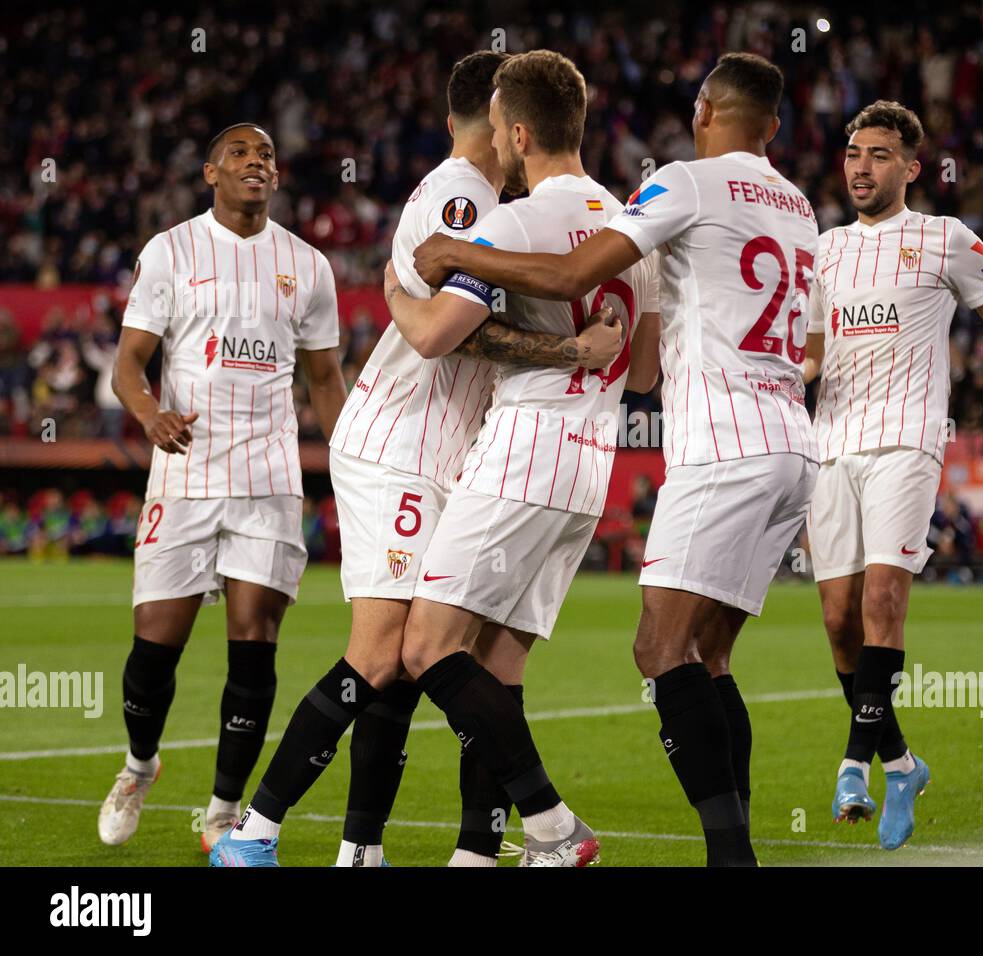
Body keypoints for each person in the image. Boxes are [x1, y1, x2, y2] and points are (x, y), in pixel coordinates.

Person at [209, 52, 623, 868]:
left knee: (422, 659)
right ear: (501, 122)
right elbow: (446, 329)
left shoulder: (501, 200)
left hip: (451, 448)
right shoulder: (465, 197)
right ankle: (254, 831)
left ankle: (370, 846)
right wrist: (570, 347)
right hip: (403, 443)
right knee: (384, 650)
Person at [411, 52, 819, 867]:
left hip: (714, 446)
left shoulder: (683, 184)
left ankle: (577, 833)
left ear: (705, 109)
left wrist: (455, 254)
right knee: (707, 657)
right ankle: (486, 847)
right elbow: (642, 367)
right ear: (771, 126)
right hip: (786, 441)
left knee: (652, 654)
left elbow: (561, 275)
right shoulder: (799, 204)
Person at [802, 100, 983, 849]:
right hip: (830, 444)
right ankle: (902, 762)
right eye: (853, 154)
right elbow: (813, 353)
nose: (861, 167)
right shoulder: (824, 250)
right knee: (840, 619)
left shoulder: (946, 240)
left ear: (911, 167)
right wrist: (779, 379)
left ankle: (854, 762)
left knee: (882, 598)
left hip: (908, 440)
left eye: (878, 155)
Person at [98, 123, 348, 853]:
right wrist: (150, 415)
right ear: (211, 172)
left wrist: (351, 465)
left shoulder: (307, 265)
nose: (256, 162)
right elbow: (128, 365)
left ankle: (223, 811)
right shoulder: (171, 250)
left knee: (254, 644)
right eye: (240, 153)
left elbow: (325, 378)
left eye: (266, 154)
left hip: (267, 477)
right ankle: (140, 765)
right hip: (185, 470)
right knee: (154, 648)